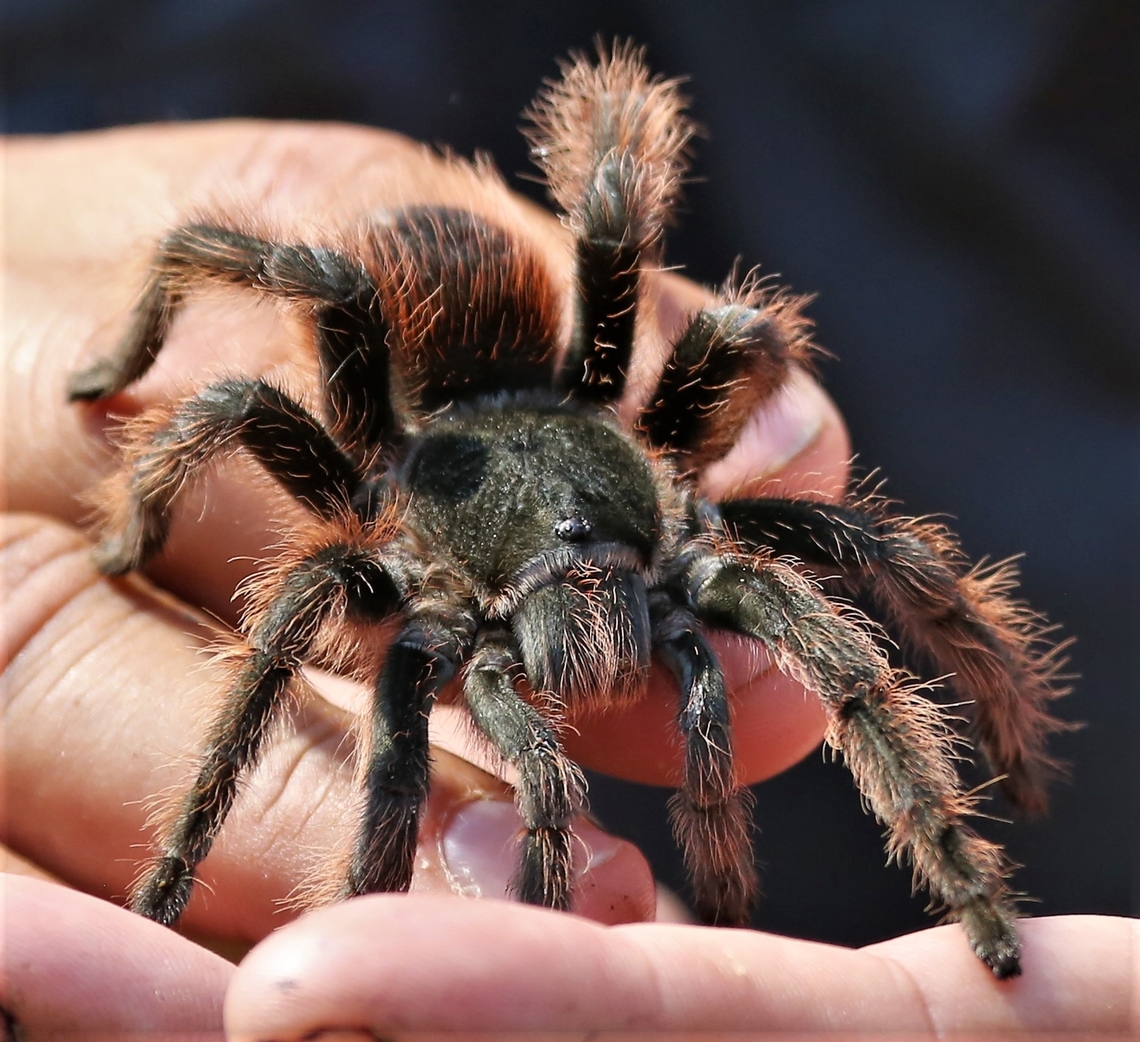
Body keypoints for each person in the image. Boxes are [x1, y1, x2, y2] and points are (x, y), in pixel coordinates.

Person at [1, 122, 1131, 1038]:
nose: (598, 628)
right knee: (284, 450)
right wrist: (129, 519)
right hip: (426, 434)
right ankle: (345, 941)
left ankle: (974, 879)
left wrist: (761, 392)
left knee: (867, 576)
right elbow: (222, 407)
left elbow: (740, 332)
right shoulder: (373, 478)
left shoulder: (667, 485)